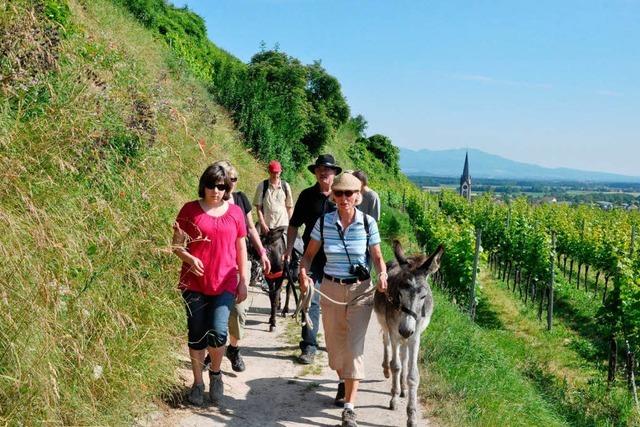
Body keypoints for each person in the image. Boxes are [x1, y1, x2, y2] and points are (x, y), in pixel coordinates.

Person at [298, 172, 387, 427]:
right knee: (336, 350)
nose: (344, 198)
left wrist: (382, 274)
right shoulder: (323, 223)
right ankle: (342, 379)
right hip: (330, 290)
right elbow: (309, 255)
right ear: (333, 196)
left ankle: (349, 408)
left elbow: (378, 256)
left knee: (354, 347)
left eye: (350, 193)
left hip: (361, 293)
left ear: (358, 196)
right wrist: (304, 274)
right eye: (339, 193)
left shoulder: (368, 223)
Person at [172, 164, 249, 406]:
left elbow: (241, 248)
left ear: (227, 188)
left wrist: (243, 281)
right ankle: (197, 383)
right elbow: (176, 246)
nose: (216, 191)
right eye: (211, 185)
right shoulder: (189, 210)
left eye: (221, 186)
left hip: (225, 282)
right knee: (196, 335)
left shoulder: (235, 213)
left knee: (217, 333)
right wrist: (189, 257)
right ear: (203, 185)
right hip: (194, 283)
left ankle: (215, 374)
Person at [214, 160, 271, 373]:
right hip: (216, 262)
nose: (232, 183)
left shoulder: (240, 200)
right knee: (215, 312)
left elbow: (250, 228)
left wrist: (262, 252)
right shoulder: (211, 200)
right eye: (229, 178)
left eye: (235, 179)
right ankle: (215, 350)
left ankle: (234, 348)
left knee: (238, 310)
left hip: (238, 261)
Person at [284, 154, 340, 364]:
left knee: (336, 303)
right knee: (310, 299)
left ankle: (334, 342)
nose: (323, 172)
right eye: (319, 169)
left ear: (334, 173)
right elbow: (294, 224)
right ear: (315, 172)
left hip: (337, 258)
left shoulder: (341, 196)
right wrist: (289, 249)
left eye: (327, 169)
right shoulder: (307, 196)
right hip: (312, 256)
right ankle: (308, 346)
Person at [253, 160, 294, 235]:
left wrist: (290, 225)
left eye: (277, 172)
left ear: (281, 171)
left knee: (295, 244)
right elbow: (258, 208)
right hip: (266, 226)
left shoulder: (285, 186)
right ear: (269, 171)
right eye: (273, 172)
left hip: (283, 226)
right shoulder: (262, 186)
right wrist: (262, 224)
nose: (275, 175)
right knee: (252, 242)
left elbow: (289, 207)